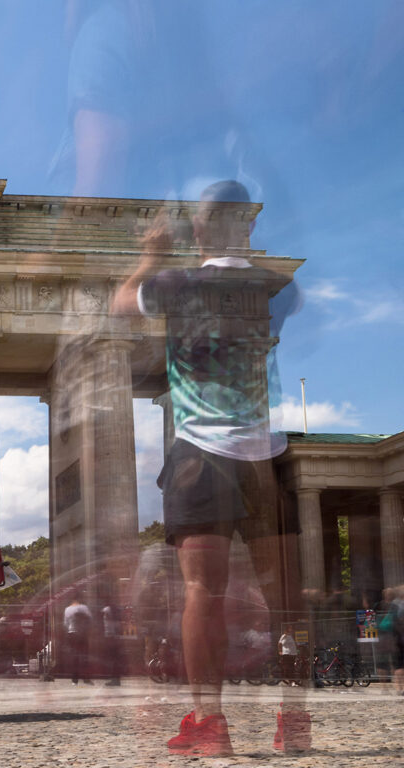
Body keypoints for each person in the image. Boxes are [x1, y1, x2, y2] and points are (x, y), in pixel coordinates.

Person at [114, 180, 305, 757]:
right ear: (248, 225)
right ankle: (294, 717)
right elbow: (263, 290)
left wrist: (151, 255)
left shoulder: (174, 285)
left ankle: (209, 721)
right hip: (265, 456)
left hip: (201, 453)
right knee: (287, 595)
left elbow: (122, 303)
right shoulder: (279, 288)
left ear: (197, 231)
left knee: (203, 589)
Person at [63, 595, 93, 685]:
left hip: (72, 634)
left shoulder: (67, 609)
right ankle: (86, 678)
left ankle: (74, 680)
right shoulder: (84, 607)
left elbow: (65, 623)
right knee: (84, 656)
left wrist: (71, 628)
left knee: (74, 657)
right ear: (79, 599)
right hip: (82, 634)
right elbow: (90, 620)